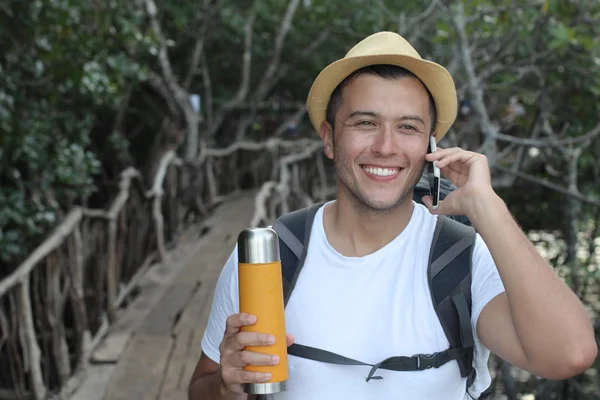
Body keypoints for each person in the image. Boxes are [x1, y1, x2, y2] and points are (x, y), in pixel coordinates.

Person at [188, 31, 597, 399]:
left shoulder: (460, 260)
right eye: (365, 122)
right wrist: (226, 387)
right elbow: (202, 386)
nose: (386, 147)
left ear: (430, 145)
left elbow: (570, 355)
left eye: (408, 128)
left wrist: (487, 207)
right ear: (330, 138)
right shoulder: (272, 256)